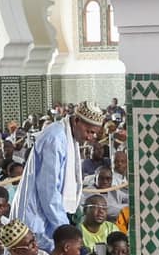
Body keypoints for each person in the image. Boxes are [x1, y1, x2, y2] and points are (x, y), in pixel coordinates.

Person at [13, 102, 103, 239]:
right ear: (77, 120)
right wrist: (64, 229)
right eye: (89, 131)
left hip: (48, 216)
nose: (90, 137)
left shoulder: (67, 135)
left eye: (94, 134)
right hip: (35, 218)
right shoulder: (55, 138)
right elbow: (48, 190)